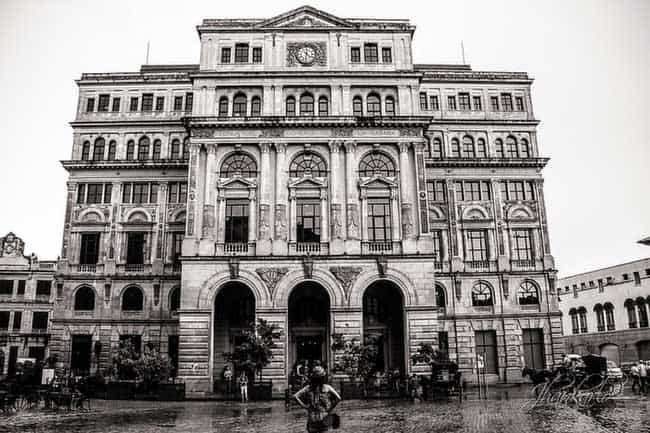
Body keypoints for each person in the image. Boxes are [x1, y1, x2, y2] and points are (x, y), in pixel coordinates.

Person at [293, 366, 341, 433]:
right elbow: (338, 398)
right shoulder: (327, 387)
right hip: (324, 417)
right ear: (322, 377)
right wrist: (330, 408)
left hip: (312, 418)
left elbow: (295, 396)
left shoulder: (308, 388)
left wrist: (304, 406)